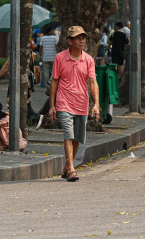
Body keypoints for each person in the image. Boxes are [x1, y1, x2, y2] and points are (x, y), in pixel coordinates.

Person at [49, 26, 100, 182]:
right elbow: (54, 81)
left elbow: (93, 82)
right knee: (68, 135)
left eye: (83, 37)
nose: (82, 40)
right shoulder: (60, 58)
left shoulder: (88, 60)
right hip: (64, 102)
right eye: (78, 38)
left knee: (77, 137)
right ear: (69, 41)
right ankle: (71, 169)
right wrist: (52, 105)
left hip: (82, 103)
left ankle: (66, 166)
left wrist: (96, 104)